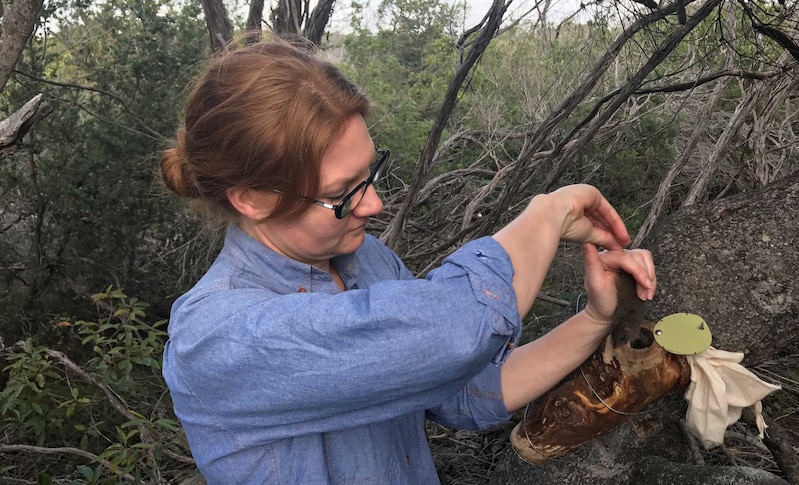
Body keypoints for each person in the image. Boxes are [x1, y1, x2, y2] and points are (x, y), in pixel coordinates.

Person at [159, 38, 656, 485]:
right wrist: (547, 213)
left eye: (370, 173)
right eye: (341, 193)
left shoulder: (364, 260)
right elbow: (458, 330)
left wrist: (596, 318)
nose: (374, 204)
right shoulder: (216, 338)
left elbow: (465, 388)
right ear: (252, 199)